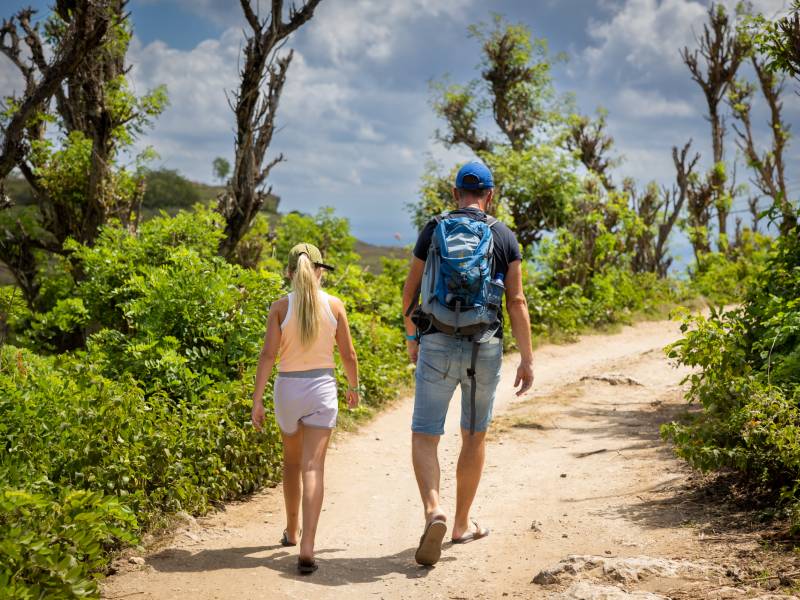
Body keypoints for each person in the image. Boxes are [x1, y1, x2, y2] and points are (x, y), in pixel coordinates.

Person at [402, 160, 535, 566]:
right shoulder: (504, 236)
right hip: (485, 346)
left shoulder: (434, 228)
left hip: (437, 340)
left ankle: (433, 510)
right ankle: (460, 524)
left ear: (455, 193)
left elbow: (409, 292)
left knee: (425, 434)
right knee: (474, 436)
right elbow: (516, 301)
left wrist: (412, 338)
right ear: (490, 195)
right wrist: (527, 359)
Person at [252, 243, 360, 575]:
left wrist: (257, 399)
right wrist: (354, 386)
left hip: (288, 389)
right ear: (319, 271)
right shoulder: (335, 305)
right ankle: (308, 547)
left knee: (291, 463)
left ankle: (291, 530)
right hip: (322, 389)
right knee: (313, 467)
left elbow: (268, 356)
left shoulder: (280, 307)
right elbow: (348, 354)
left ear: (289, 272)